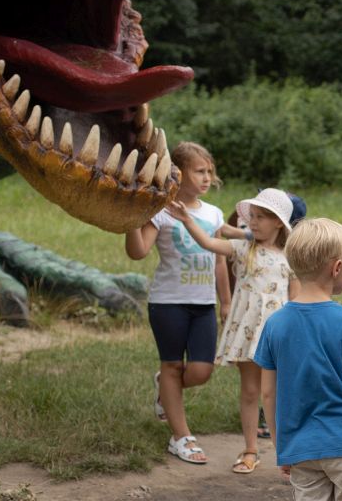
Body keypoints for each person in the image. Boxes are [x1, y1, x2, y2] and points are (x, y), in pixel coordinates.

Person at [255, 217, 342, 499]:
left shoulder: (275, 324)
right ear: (337, 267)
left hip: (301, 450)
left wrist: (283, 447)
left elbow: (268, 393)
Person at [182, 187, 299, 474]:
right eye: (252, 216)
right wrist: (187, 220)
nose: (252, 223)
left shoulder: (290, 257)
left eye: (260, 217)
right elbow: (208, 243)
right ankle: (250, 450)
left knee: (279, 394)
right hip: (248, 334)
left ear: (278, 222)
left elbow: (296, 301)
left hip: (277, 335)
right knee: (250, 391)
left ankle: (289, 454)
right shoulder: (243, 248)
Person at [124, 141, 227, 465]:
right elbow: (138, 252)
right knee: (172, 366)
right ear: (179, 174)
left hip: (204, 304)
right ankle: (181, 437)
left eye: (209, 171)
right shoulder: (160, 211)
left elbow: (220, 261)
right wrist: (130, 219)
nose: (207, 178)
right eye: (200, 171)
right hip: (168, 302)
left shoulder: (213, 214)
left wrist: (225, 301)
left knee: (201, 371)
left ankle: (164, 389)